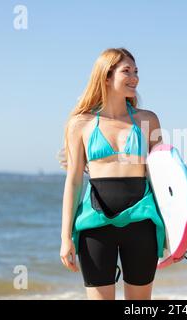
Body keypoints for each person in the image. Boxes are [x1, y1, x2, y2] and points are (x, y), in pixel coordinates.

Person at [60, 48, 165, 300]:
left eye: (136, 71)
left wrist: (175, 230)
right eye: (126, 71)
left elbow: (161, 177)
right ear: (106, 76)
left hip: (142, 224)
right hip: (95, 225)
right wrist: (65, 237)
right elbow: (73, 181)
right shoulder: (81, 123)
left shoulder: (147, 120)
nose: (134, 77)